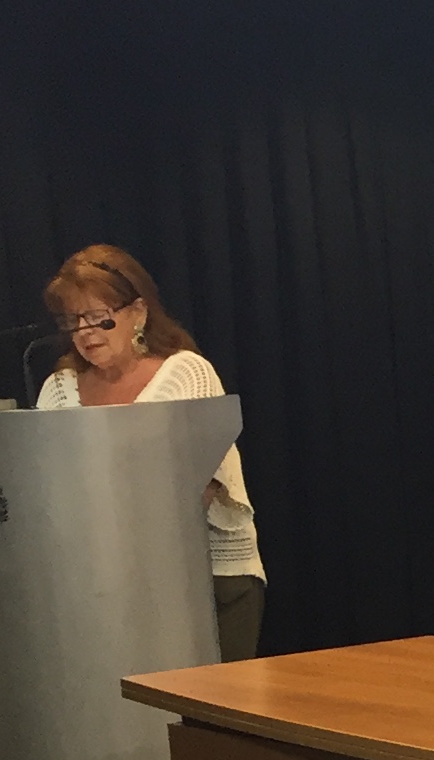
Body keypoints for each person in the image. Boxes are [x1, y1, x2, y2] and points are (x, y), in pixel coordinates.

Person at [34, 245, 266, 662]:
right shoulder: (58, 389)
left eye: (99, 317)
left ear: (137, 313)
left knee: (211, 716)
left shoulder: (185, 373)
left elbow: (194, 488)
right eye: (73, 320)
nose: (86, 332)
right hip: (103, 587)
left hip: (208, 580)